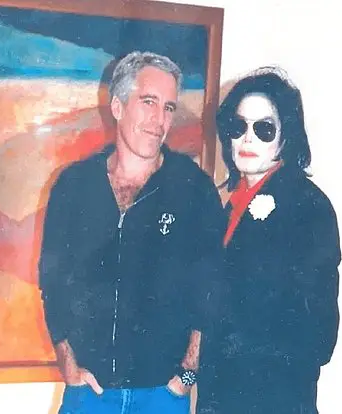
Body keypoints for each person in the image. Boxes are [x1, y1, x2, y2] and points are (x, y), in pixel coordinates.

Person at [38, 51, 226, 413]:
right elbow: (52, 283)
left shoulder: (194, 189)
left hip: (162, 395)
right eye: (148, 102)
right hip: (89, 393)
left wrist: (186, 377)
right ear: (118, 106)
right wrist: (68, 364)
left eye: (169, 107)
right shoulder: (73, 186)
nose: (159, 120)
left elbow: (211, 290)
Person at [196, 66, 342, 414]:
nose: (247, 139)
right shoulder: (226, 205)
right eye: (238, 127)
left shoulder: (308, 206)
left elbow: (320, 336)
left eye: (263, 129)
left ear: (286, 137)